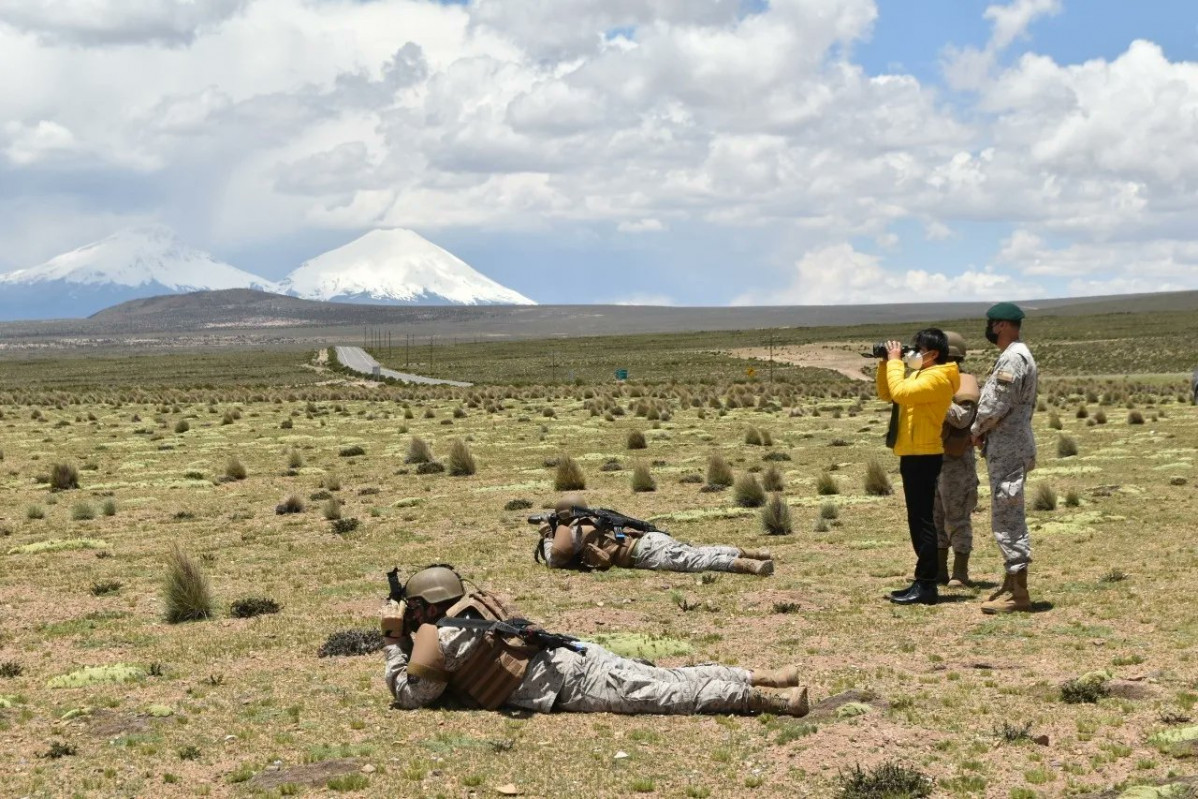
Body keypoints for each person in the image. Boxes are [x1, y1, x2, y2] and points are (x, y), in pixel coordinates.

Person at [381, 565, 810, 717]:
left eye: (414, 607)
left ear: (429, 604)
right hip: (573, 656)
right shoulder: (474, 607)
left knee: (664, 695)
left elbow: (417, 696)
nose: (411, 614)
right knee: (666, 676)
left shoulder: (443, 637)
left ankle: (767, 701)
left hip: (569, 683)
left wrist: (392, 642)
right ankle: (762, 676)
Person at [876, 328, 959, 606]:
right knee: (917, 519)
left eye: (918, 348)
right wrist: (885, 363)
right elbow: (888, 393)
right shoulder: (921, 375)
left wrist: (896, 360)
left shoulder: (938, 378)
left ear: (933, 353)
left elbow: (899, 391)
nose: (912, 352)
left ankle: (926, 585)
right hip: (912, 453)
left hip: (924, 455)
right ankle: (923, 581)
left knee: (923, 521)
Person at [971, 302, 1039, 614]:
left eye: (992, 324)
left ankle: (1020, 592)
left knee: (1008, 514)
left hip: (1008, 447)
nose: (989, 329)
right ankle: (1012, 582)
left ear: (1000, 325)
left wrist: (976, 429)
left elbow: (996, 403)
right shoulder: (1019, 354)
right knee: (1006, 509)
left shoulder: (1012, 357)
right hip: (1011, 444)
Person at [534, 500, 775, 576]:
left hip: (645, 552)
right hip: (651, 539)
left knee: (693, 561)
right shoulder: (595, 518)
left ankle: (747, 565)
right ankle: (749, 553)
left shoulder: (570, 529)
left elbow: (554, 559)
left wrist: (547, 534)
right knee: (695, 551)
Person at [934, 331, 980, 588]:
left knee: (956, 515)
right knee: (935, 517)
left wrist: (936, 396)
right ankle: (940, 570)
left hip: (955, 460)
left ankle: (960, 572)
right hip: (930, 456)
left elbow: (962, 418)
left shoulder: (963, 383)